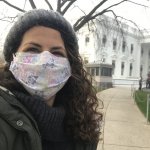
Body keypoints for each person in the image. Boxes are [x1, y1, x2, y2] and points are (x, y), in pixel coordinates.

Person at [0, 9, 102, 150]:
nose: (46, 60)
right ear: (12, 59)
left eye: (56, 52)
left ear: (70, 65)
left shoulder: (82, 125)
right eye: (33, 49)